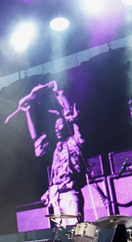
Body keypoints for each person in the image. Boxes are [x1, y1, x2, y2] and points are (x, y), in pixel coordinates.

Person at [15, 81, 86, 226]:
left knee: (76, 230)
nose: (57, 129)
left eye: (60, 126)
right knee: (62, 234)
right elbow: (36, 140)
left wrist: (61, 95)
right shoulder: (56, 147)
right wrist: (28, 112)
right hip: (56, 196)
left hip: (70, 193)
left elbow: (72, 119)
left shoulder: (73, 142)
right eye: (55, 127)